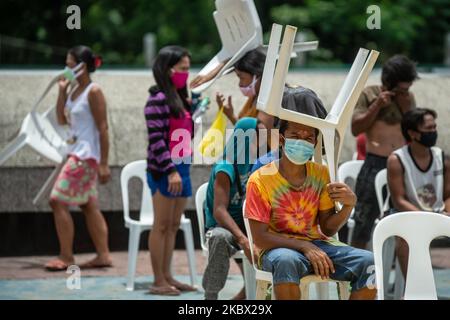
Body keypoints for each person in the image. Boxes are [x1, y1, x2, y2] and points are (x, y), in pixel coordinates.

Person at [245, 115, 377, 300]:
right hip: (277, 249)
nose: (302, 142)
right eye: (295, 136)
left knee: (369, 263)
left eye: (308, 139)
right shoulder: (259, 180)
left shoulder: (321, 173)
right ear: (282, 140)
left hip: (318, 245)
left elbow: (328, 228)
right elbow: (260, 238)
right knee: (286, 260)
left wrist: (348, 206)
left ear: (315, 144)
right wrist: (303, 246)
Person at [45, 45, 112, 271]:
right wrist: (62, 91)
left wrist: (104, 163)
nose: (67, 68)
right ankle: (103, 255)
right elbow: (62, 120)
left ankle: (66, 256)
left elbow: (103, 128)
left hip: (86, 156)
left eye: (71, 65)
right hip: (77, 153)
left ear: (83, 66)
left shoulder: (94, 91)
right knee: (87, 204)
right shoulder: (74, 91)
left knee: (57, 200)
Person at [351, 55, 418, 249]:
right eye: (400, 89)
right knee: (362, 222)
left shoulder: (408, 99)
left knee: (404, 222)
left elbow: (415, 132)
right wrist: (377, 105)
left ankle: (400, 274)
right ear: (388, 83)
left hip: (401, 163)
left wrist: (406, 109)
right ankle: (360, 273)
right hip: (374, 163)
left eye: (406, 89)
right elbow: (356, 128)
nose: (403, 93)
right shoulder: (369, 94)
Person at [145, 45, 197, 295]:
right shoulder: (157, 100)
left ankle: (168, 276)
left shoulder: (181, 100)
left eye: (188, 69)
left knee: (174, 225)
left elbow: (185, 134)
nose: (186, 74)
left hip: (183, 166)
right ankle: (157, 281)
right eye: (182, 69)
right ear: (167, 70)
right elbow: (156, 141)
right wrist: (170, 171)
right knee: (162, 225)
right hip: (165, 170)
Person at [202, 117, 263, 300]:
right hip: (223, 226)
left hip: (246, 224)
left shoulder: (254, 163)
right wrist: (243, 240)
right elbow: (219, 211)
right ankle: (210, 295)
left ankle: (252, 294)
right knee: (221, 238)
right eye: (258, 137)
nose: (262, 142)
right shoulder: (225, 167)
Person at [387, 108, 450, 279]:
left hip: (438, 213)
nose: (434, 132)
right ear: (413, 133)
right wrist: (425, 217)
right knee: (406, 239)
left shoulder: (441, 157)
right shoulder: (397, 159)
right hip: (406, 213)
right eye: (428, 129)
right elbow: (399, 200)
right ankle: (413, 290)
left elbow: (447, 196)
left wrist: (446, 213)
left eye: (434, 127)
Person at [191, 48, 275, 133]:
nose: (240, 84)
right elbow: (244, 133)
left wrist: (231, 116)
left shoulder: (271, 99)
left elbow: (258, 136)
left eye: (241, 78)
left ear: (257, 76)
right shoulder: (254, 98)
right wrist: (230, 115)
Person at [251, 85, 327, 173]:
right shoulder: (263, 169)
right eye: (294, 135)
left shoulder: (320, 173)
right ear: (281, 137)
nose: (300, 142)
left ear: (315, 141)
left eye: (308, 137)